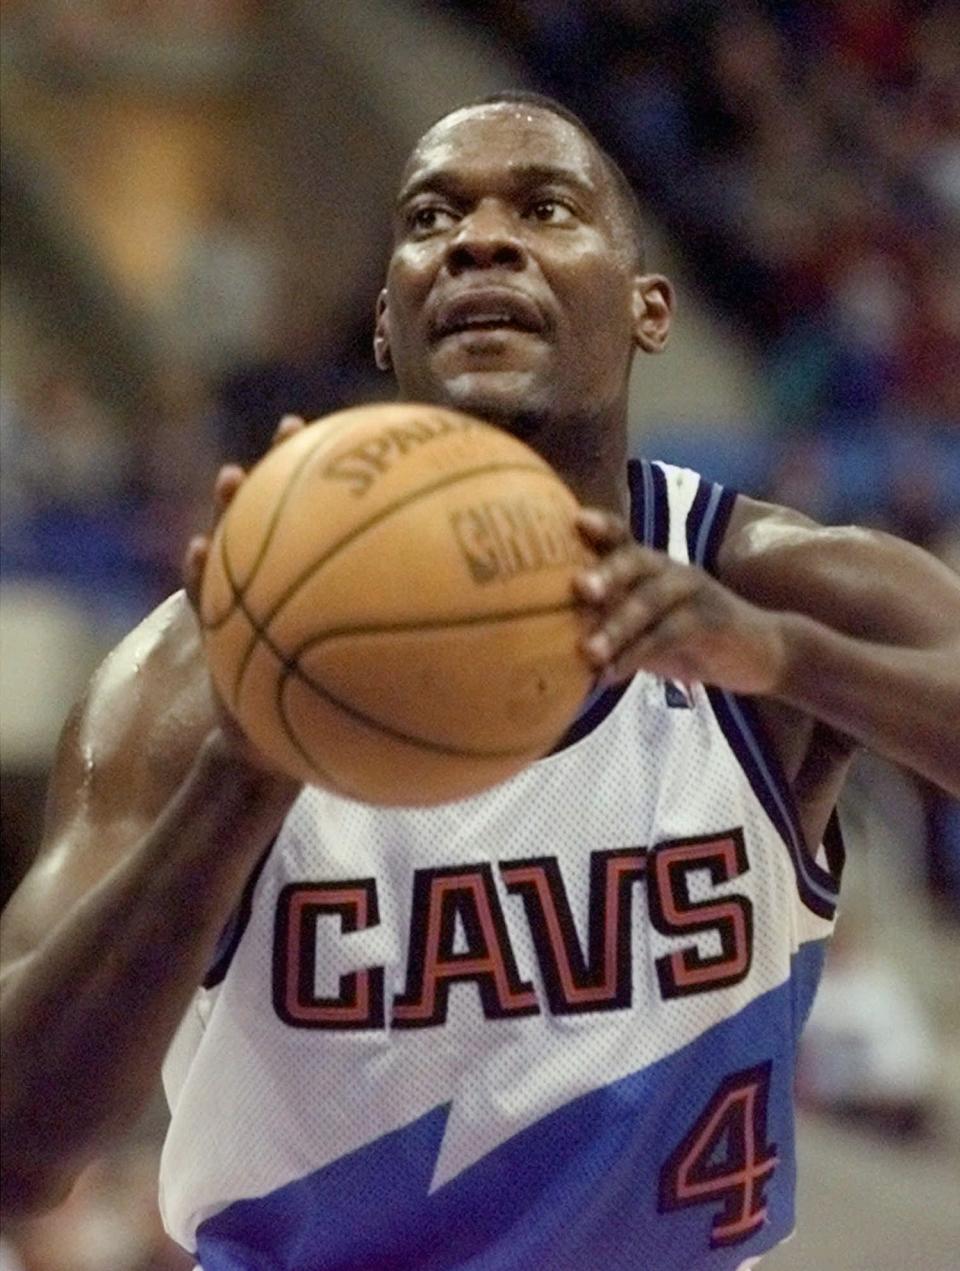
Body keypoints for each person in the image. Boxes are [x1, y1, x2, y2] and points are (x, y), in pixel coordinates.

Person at [1, 92, 958, 1271]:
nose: (480, 238)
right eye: (432, 216)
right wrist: (242, 774)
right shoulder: (193, 676)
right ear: (387, 326)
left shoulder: (776, 591)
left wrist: (792, 661)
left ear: (650, 307)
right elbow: (19, 1147)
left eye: (546, 207)